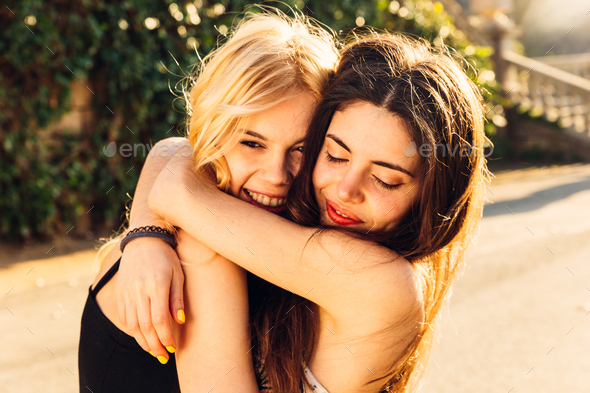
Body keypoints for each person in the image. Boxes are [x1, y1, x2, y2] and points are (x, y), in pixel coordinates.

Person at [134, 33, 492, 392]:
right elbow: (179, 154)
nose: (344, 191)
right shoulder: (273, 238)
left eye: (385, 180)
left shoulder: (385, 284)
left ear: (432, 196)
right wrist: (148, 235)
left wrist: (147, 234)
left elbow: (176, 183)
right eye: (334, 155)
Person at [78, 9, 339, 393]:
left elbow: (175, 149)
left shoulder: (265, 241)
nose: (277, 174)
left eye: (301, 149)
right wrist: (147, 231)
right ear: (214, 133)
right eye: (252, 143)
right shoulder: (201, 249)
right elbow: (179, 148)